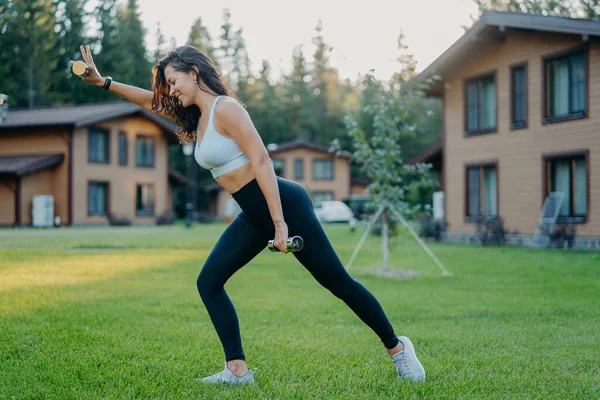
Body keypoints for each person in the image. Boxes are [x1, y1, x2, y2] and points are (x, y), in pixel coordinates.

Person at [76, 44, 426, 385]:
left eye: (173, 80)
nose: (170, 89)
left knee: (336, 282)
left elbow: (261, 160)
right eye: (167, 84)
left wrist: (279, 223)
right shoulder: (197, 118)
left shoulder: (227, 109)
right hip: (253, 213)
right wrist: (104, 82)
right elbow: (150, 102)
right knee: (209, 282)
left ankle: (398, 348)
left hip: (284, 204)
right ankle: (237, 371)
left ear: (193, 74)